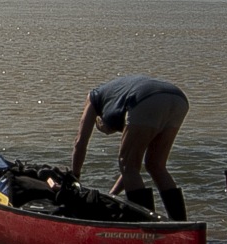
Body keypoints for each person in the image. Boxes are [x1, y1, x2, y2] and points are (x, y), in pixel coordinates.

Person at [69, 74, 189, 219]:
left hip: (145, 98)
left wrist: (75, 177)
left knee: (128, 164)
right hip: (177, 98)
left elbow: (80, 142)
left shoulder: (94, 98)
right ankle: (180, 223)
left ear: (100, 119)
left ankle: (146, 225)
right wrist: (112, 195)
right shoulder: (117, 99)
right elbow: (131, 169)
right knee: (155, 165)